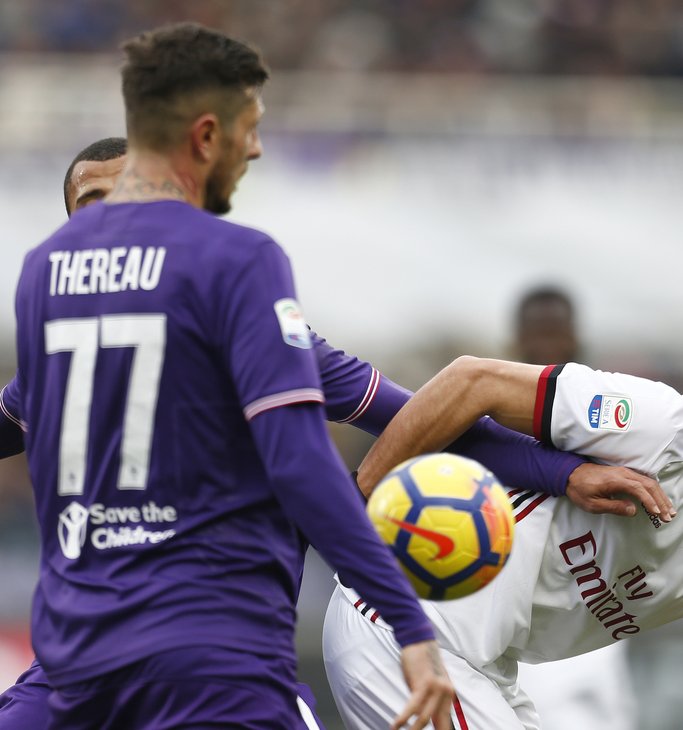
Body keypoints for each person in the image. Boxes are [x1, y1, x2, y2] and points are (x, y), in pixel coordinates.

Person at [1, 124, 671, 728]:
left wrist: (564, 471)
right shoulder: (56, 356)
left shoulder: (260, 333)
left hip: (219, 659)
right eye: (92, 204)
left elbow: (435, 422)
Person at [11, 24, 458, 730]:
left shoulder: (44, 271)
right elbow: (301, 464)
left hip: (79, 663)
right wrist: (409, 624)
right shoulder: (237, 260)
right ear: (206, 134)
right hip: (212, 657)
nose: (254, 149)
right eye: (250, 127)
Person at [323, 282, 683, 730]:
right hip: (405, 626)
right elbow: (472, 380)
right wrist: (354, 502)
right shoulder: (657, 424)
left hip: (486, 669)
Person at [511, 285, 637, 730]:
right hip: (510, 628)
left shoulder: (611, 422)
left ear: (575, 340)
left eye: (556, 331)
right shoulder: (486, 425)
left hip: (591, 620)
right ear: (517, 341)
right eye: (537, 331)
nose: (547, 344)